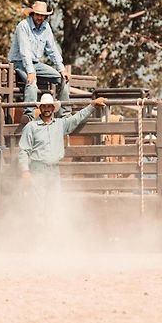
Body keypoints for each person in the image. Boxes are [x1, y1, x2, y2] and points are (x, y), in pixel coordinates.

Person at [18, 93, 107, 234]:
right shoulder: (31, 127)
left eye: (49, 106)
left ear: (53, 108)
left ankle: (50, 236)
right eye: (44, 106)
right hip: (38, 169)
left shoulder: (60, 124)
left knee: (53, 203)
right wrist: (25, 170)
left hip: (53, 170)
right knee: (38, 205)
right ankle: (38, 237)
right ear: (40, 108)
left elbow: (77, 118)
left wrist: (92, 105)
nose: (46, 109)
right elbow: (24, 150)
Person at [8, 1, 71, 122]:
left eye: (42, 15)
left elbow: (52, 50)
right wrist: (31, 72)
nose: (40, 17)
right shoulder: (23, 26)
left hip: (35, 64)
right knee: (32, 82)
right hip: (19, 62)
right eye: (37, 14)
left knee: (63, 79)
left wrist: (61, 68)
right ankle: (29, 115)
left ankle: (65, 114)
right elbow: (24, 51)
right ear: (32, 14)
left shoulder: (46, 27)